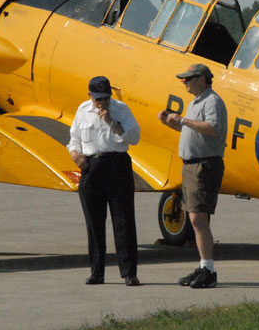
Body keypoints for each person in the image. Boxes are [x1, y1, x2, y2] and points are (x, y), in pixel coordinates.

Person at [158, 63, 227, 289]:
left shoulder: (212, 101)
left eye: (188, 78)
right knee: (196, 219)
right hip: (191, 166)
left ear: (202, 79)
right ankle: (204, 267)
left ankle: (209, 270)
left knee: (198, 219)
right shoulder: (196, 102)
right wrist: (174, 123)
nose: (184, 82)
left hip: (204, 166)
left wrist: (184, 120)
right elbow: (194, 129)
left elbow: (213, 128)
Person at [68, 76, 141, 286]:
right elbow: (74, 137)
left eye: (106, 98)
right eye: (98, 99)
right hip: (92, 166)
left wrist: (111, 121)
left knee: (123, 221)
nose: (102, 103)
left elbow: (133, 137)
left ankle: (129, 273)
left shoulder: (121, 109)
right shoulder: (82, 110)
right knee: (94, 222)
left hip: (117, 165)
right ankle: (96, 272)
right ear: (90, 96)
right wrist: (75, 154)